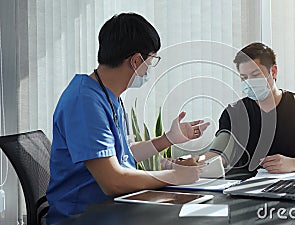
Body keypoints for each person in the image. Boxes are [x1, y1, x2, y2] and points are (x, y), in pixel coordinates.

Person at [46, 13, 209, 224]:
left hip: (115, 208)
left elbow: (121, 154)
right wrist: (178, 176)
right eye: (151, 61)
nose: (149, 69)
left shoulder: (107, 95)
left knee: (205, 213)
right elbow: (112, 181)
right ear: (135, 60)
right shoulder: (84, 101)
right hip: (84, 216)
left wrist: (168, 139)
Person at [206, 42, 295, 174]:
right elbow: (217, 155)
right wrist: (195, 162)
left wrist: (294, 163)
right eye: (244, 78)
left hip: (291, 184)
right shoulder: (233, 112)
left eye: (256, 75)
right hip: (244, 188)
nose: (249, 82)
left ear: (273, 71)